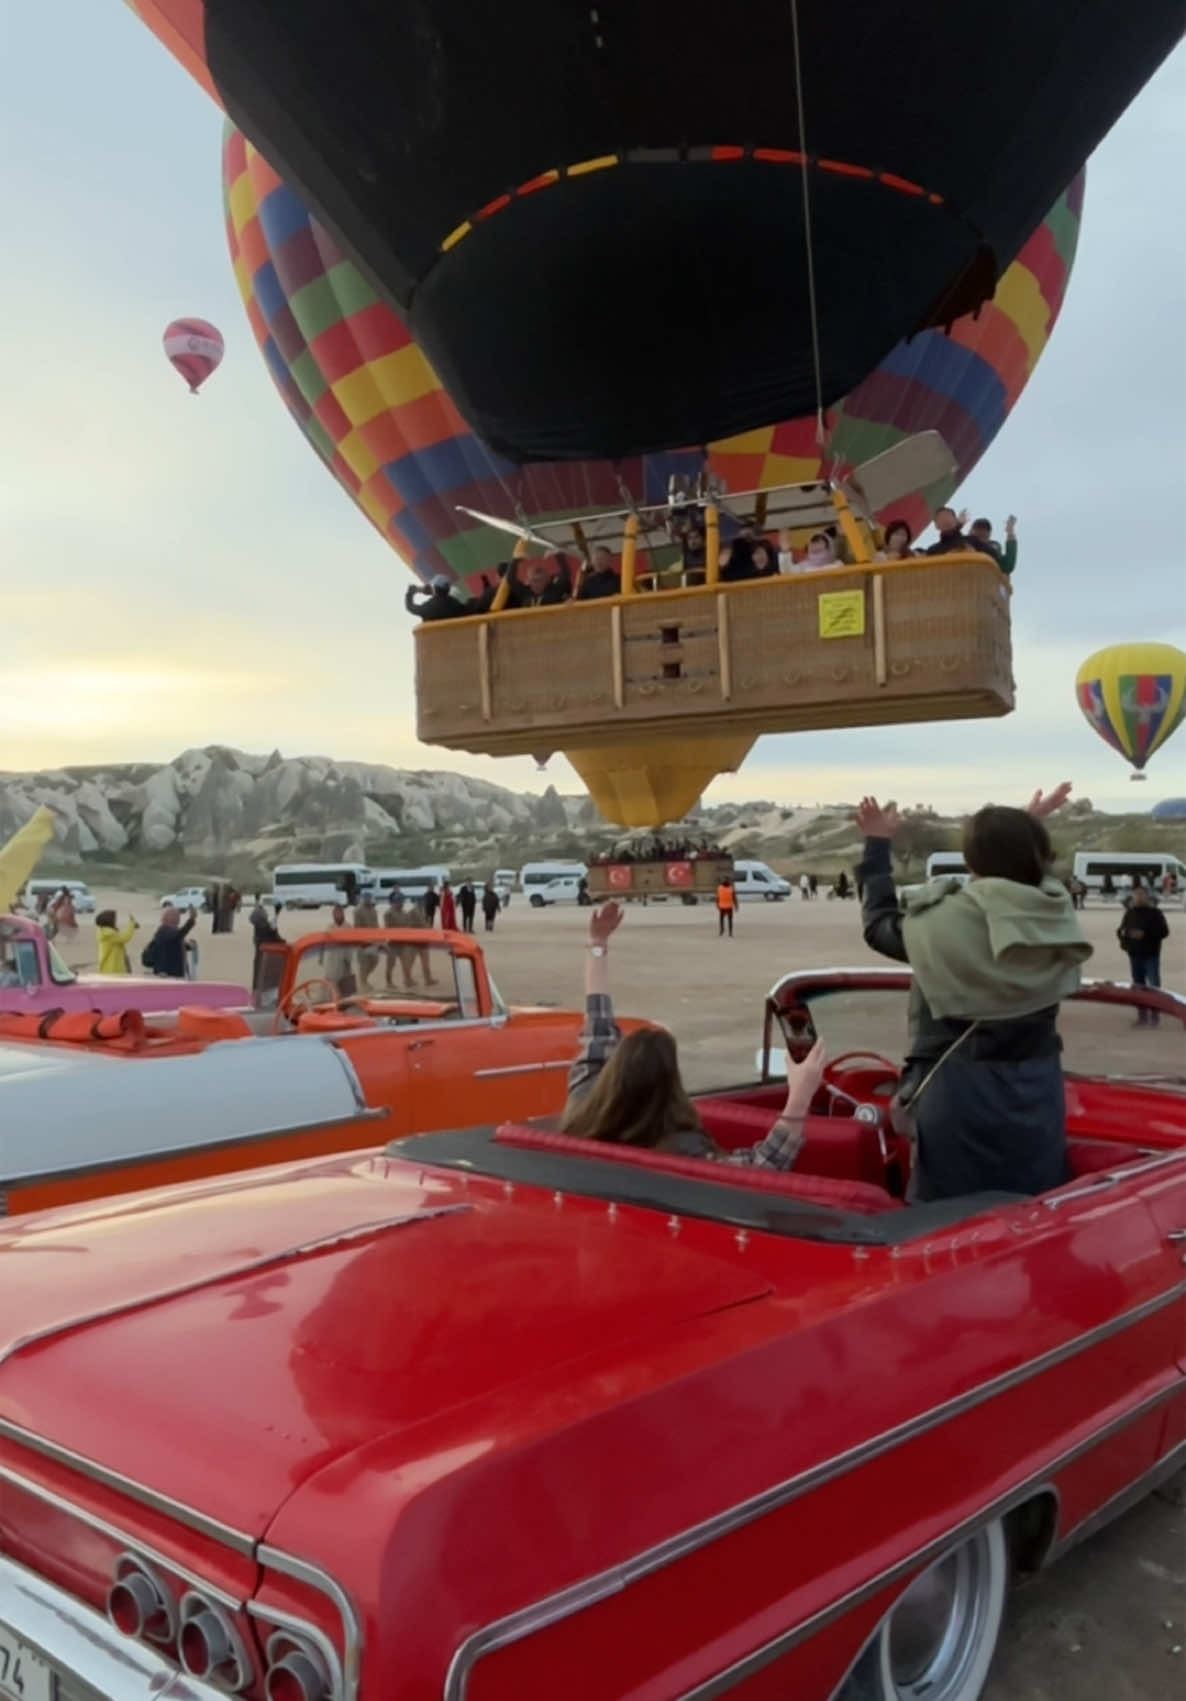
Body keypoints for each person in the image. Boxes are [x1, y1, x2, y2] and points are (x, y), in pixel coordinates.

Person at [855, 783, 1092, 1202]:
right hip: (1038, 1084)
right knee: (1035, 1205)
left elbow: (879, 927)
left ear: (970, 859)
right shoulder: (1054, 910)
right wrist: (1024, 827)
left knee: (948, 1215)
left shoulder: (940, 923)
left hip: (959, 1088)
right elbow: (1016, 884)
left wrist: (877, 846)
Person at [561, 901, 825, 1161]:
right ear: (669, 1085)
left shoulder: (584, 1100)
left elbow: (598, 1018)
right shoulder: (682, 1151)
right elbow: (760, 1167)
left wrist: (597, 944)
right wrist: (800, 1097)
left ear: (614, 1071)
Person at [1117, 888, 1169, 1025]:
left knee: (1154, 986)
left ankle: (1155, 1015)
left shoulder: (1155, 913)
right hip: (1134, 955)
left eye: (1141, 896)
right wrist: (1128, 934)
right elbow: (1120, 931)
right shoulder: (1130, 913)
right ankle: (1142, 1016)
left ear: (1147, 897)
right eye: (1136, 896)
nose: (1139, 898)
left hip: (1151, 954)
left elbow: (1164, 932)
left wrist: (1145, 934)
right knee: (1138, 986)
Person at [142, 905, 197, 979]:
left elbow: (175, 943)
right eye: (176, 917)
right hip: (167, 975)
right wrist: (191, 920)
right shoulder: (164, 931)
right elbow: (179, 935)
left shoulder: (169, 932)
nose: (178, 919)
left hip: (174, 973)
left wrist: (189, 946)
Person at [504, 555, 572, 609]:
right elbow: (510, 579)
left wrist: (558, 554)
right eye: (534, 581)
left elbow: (566, 574)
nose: (537, 584)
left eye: (541, 580)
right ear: (529, 581)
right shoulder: (525, 593)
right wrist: (515, 560)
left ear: (548, 579)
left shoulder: (556, 590)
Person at [94, 909, 138, 974]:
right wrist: (132, 925)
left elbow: (122, 937)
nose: (115, 921)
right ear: (109, 921)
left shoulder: (106, 932)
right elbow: (125, 938)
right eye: (114, 919)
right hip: (112, 967)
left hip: (110, 966)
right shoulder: (109, 934)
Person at [354, 895, 380, 988]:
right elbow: (357, 927)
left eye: (369, 898)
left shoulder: (374, 910)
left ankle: (364, 979)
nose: (368, 900)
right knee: (364, 963)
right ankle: (363, 982)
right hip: (363, 941)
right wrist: (361, 940)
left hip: (373, 941)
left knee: (375, 961)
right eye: (366, 898)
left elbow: (376, 925)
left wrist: (379, 938)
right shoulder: (358, 911)